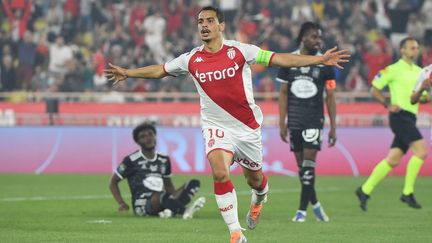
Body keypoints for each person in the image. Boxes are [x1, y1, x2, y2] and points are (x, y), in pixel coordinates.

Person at [105, 6, 349, 242]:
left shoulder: (241, 51)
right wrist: (128, 72)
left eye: (210, 21)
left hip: (247, 129)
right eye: (200, 22)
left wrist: (317, 60)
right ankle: (235, 232)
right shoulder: (191, 59)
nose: (204, 26)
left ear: (221, 26)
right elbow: (160, 70)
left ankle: (260, 197)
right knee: (220, 172)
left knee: (255, 180)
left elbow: (279, 59)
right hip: (216, 127)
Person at [355, 37, 428, 211]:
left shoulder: (420, 72)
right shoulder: (393, 69)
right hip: (399, 116)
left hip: (411, 117)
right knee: (421, 151)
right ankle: (407, 192)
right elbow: (374, 88)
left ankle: (364, 190)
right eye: (411, 47)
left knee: (393, 160)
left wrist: (425, 94)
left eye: (417, 47)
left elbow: (421, 98)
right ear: (402, 50)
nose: (415, 50)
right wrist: (387, 104)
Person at [277, 22, 336, 223]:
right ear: (303, 38)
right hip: (294, 120)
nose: (317, 41)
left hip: (314, 120)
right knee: (302, 170)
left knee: (309, 167)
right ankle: (317, 205)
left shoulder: (325, 63)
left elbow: (330, 96)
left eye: (319, 37)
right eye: (313, 37)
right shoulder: (288, 60)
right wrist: (282, 122)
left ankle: (301, 212)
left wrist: (333, 127)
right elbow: (283, 94)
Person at [109, 123, 206, 219]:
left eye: (151, 134)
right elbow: (113, 182)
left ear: (155, 136)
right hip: (141, 203)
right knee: (160, 196)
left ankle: (170, 210)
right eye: (143, 136)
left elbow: (168, 185)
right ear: (138, 142)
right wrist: (121, 203)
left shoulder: (164, 159)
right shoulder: (131, 160)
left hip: (161, 199)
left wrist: (173, 199)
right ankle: (185, 211)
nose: (148, 138)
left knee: (193, 183)